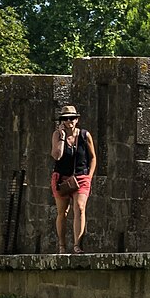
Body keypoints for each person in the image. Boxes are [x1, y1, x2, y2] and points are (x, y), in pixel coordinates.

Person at [50, 105, 99, 254]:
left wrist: (89, 177)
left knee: (80, 207)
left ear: (77, 119)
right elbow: (56, 156)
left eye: (72, 118)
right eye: (65, 118)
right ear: (62, 121)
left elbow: (93, 157)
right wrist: (62, 137)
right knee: (62, 212)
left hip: (81, 177)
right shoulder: (57, 135)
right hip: (61, 179)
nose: (69, 121)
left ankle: (77, 245)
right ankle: (62, 245)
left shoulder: (85, 135)